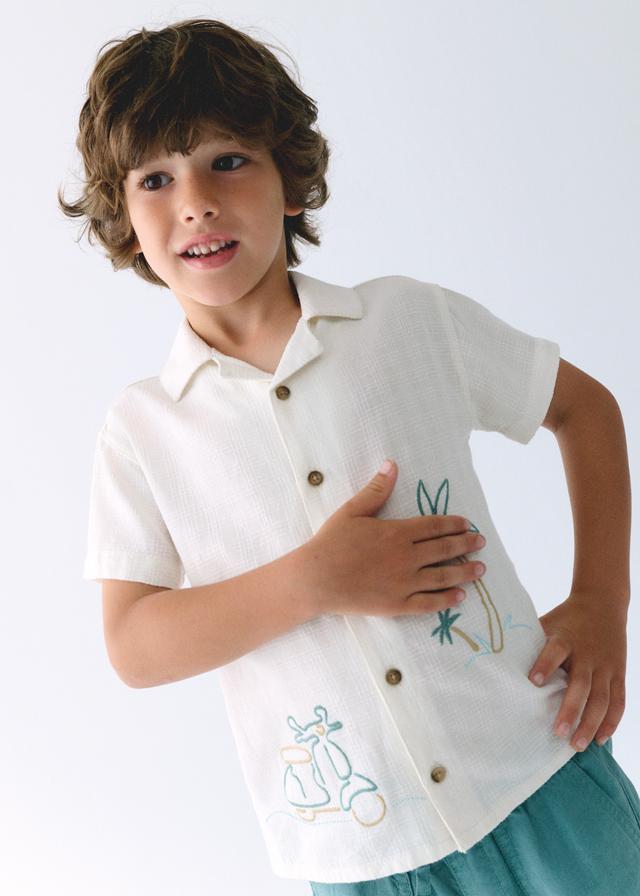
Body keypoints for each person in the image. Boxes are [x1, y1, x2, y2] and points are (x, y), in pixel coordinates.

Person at [59, 17, 639, 895]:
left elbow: (583, 409)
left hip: (543, 777)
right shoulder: (142, 431)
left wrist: (601, 601)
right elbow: (135, 645)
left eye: (227, 160)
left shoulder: (407, 321)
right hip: (364, 861)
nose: (196, 202)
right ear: (126, 220)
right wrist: (311, 581)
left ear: (289, 178)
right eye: (156, 178)